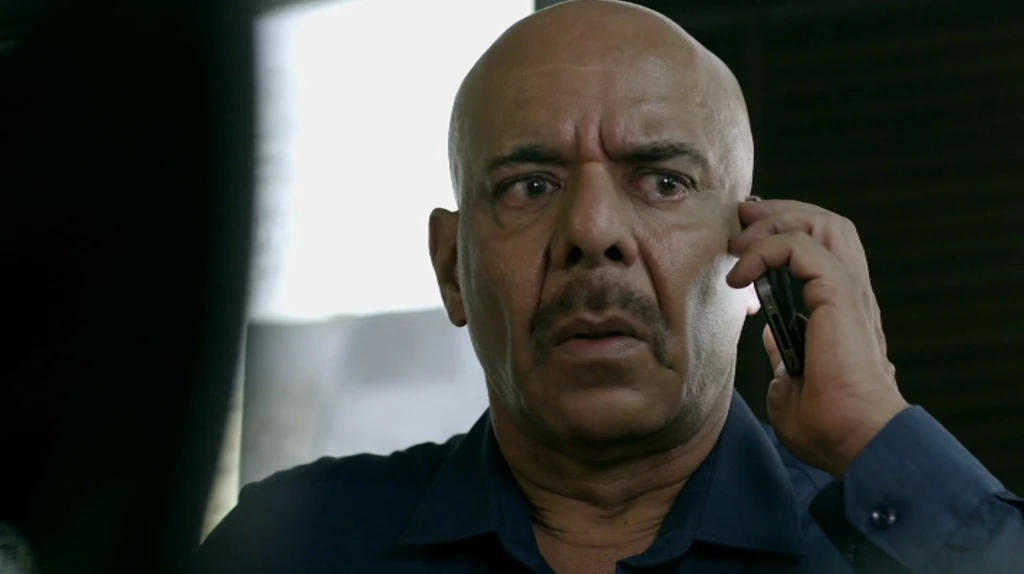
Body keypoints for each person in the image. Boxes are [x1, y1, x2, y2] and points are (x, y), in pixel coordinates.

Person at [192, 1, 1024, 572]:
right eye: (530, 186)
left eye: (662, 182)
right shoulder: (293, 545)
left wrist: (875, 433)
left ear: (755, 258)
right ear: (452, 269)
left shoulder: (892, 546)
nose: (592, 233)